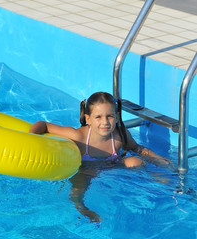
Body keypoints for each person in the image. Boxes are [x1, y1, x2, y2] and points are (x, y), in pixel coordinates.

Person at [29, 92, 175, 223]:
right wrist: (31, 139)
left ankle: (153, 186)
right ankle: (82, 208)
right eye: (98, 117)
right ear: (88, 119)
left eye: (109, 116)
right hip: (84, 170)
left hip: (111, 166)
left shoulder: (119, 135)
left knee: (136, 161)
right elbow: (43, 125)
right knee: (77, 191)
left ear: (117, 117)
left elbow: (136, 148)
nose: (105, 122)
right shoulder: (78, 136)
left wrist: (159, 159)